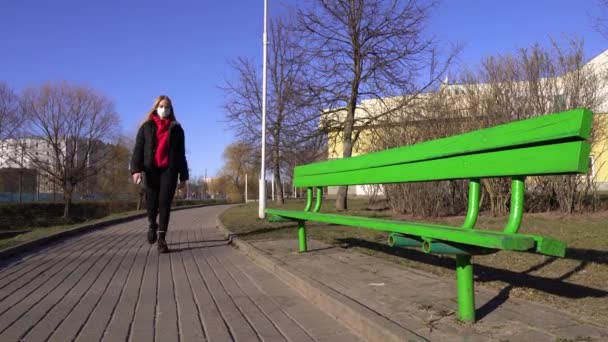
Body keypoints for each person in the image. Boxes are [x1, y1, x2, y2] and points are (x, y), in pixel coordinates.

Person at [130, 95, 188, 253]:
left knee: (164, 204)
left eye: (167, 106)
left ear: (171, 109)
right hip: (151, 170)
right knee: (151, 204)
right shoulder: (146, 127)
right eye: (161, 106)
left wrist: (183, 177)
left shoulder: (177, 129)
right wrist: (136, 170)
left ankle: (161, 239)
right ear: (156, 107)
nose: (164, 109)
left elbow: (181, 155)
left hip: (169, 171)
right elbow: (138, 150)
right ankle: (152, 224)